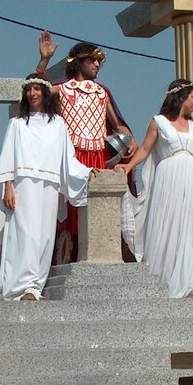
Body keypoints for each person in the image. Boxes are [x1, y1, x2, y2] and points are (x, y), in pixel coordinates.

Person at [35, 31, 135, 263]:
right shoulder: (62, 89)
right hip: (72, 159)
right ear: (78, 62)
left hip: (100, 159)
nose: (97, 64)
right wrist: (45, 60)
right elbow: (36, 90)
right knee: (69, 214)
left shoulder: (102, 92)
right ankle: (64, 262)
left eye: (99, 60)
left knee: (101, 211)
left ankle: (102, 257)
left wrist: (129, 139)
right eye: (92, 60)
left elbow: (118, 124)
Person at [0, 74, 93, 300]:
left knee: (45, 235)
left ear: (45, 93)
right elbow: (8, 157)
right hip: (23, 184)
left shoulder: (58, 124)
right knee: (25, 233)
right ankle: (19, 287)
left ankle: (35, 286)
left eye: (37, 89)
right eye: (29, 90)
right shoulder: (17, 124)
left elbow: (68, 158)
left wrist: (87, 172)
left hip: (49, 183)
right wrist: (8, 186)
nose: (33, 93)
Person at [121, 79, 193, 298]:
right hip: (169, 177)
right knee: (170, 225)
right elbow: (146, 149)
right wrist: (129, 166)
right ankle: (168, 281)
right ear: (181, 97)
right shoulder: (159, 122)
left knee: (192, 227)